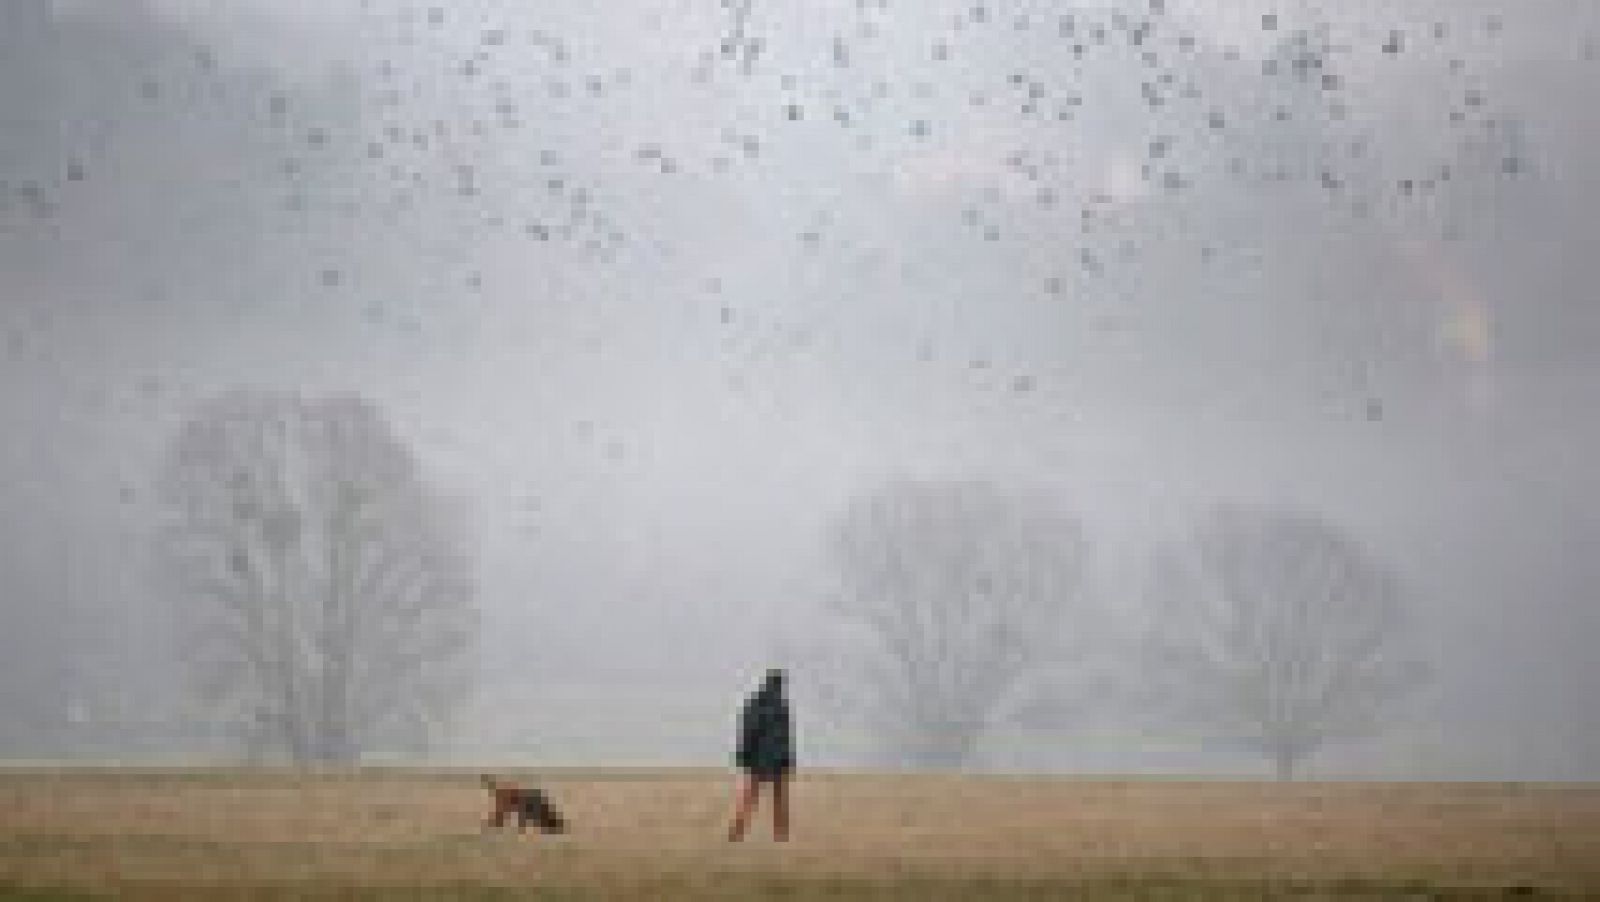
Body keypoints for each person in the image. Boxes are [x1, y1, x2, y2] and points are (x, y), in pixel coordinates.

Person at [727, 668, 793, 841]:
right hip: (778, 761)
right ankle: (781, 834)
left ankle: (736, 832)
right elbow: (784, 738)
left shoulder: (753, 704)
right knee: (780, 800)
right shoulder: (781, 707)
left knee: (748, 798)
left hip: (756, 760)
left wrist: (743, 756)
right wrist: (787, 760)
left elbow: (747, 732)